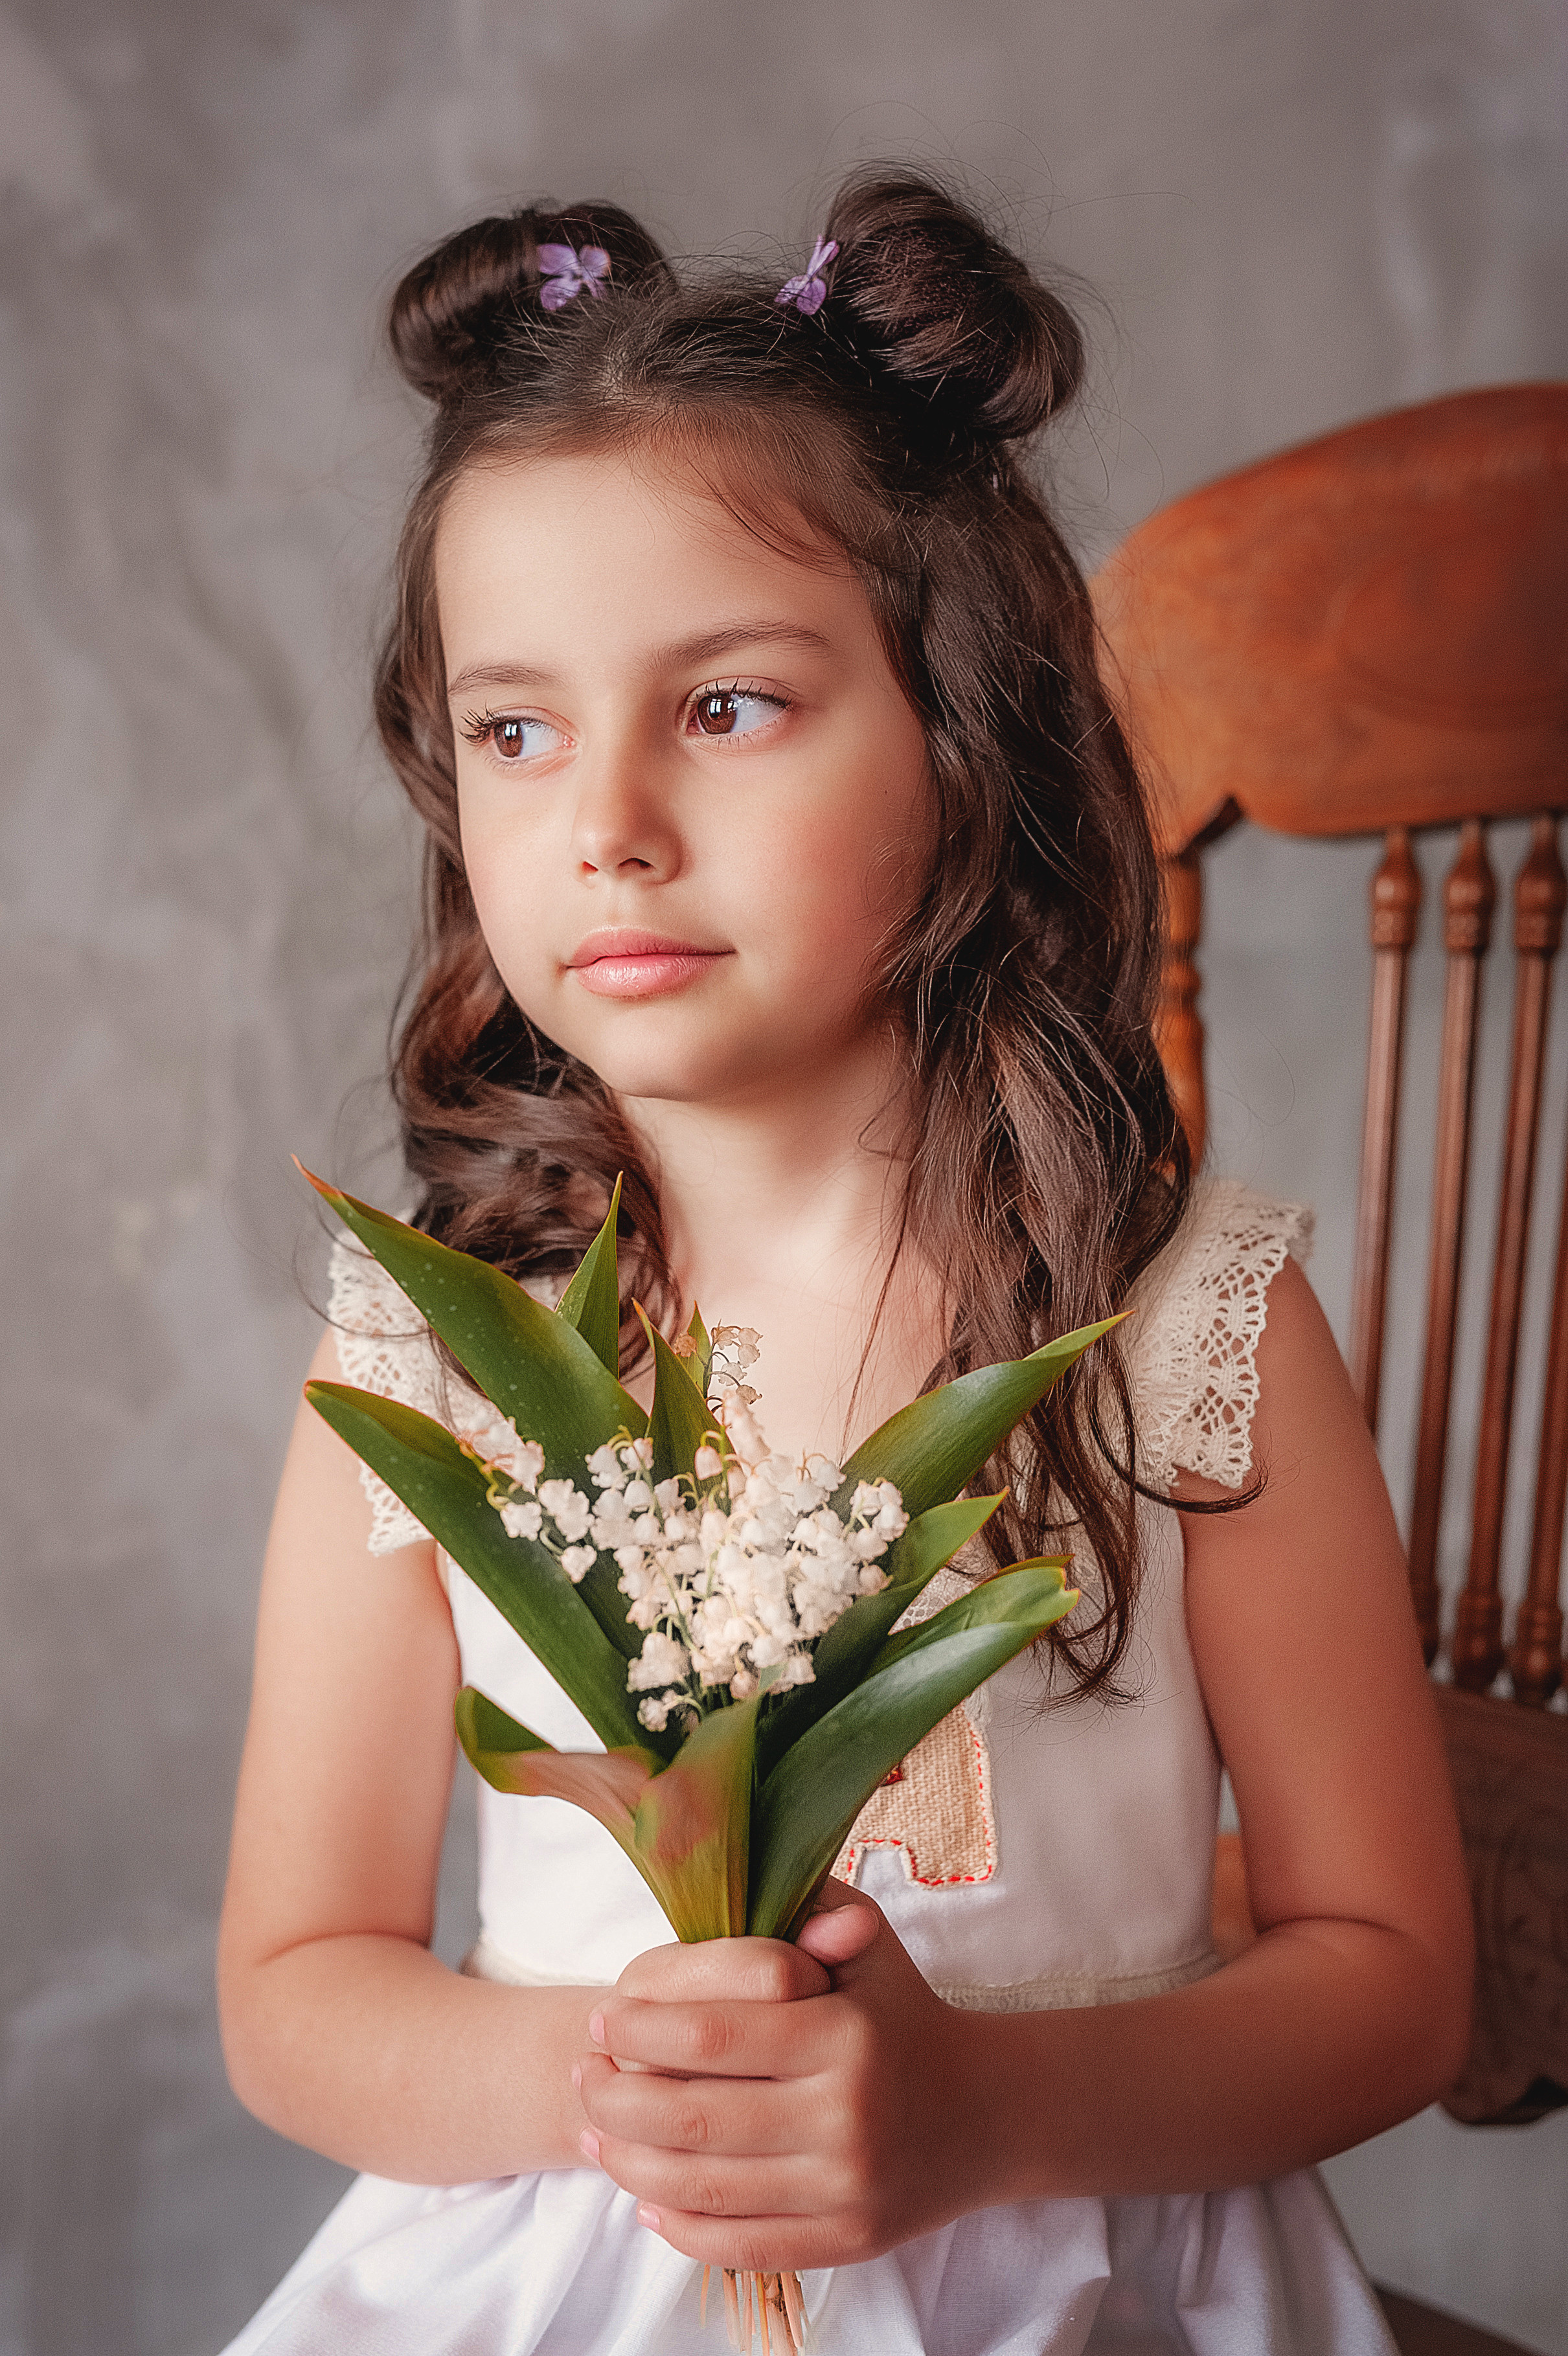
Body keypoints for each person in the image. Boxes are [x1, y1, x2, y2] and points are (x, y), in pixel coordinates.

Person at [215, 171, 1471, 2355]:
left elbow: (1392, 1983)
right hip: (573, 2270)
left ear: (961, 749)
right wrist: (620, 2085)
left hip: (1095, 2259)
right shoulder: (433, 1364)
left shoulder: (1194, 1332)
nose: (602, 815)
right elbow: (296, 1991)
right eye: (516, 728)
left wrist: (979, 2115)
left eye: (726, 706)